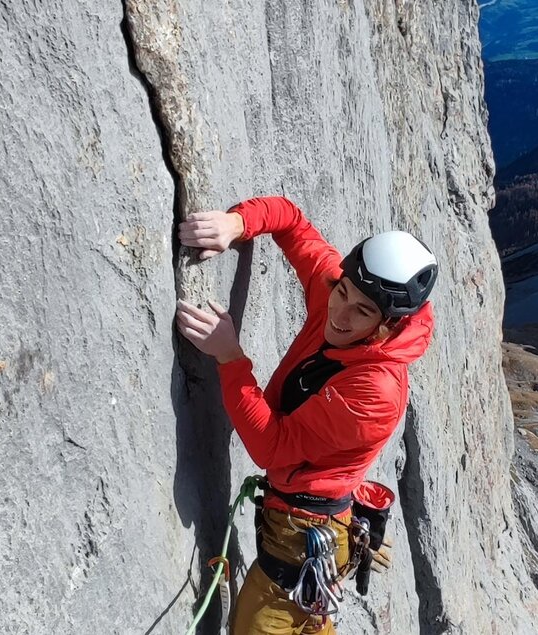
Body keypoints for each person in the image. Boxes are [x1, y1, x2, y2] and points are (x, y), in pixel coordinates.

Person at [174, 196, 437, 634]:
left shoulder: (374, 392)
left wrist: (230, 358)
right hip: (308, 531)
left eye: (362, 312)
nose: (340, 314)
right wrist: (236, 224)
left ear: (388, 325)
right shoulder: (342, 291)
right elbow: (291, 222)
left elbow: (270, 447)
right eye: (342, 292)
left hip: (299, 544)